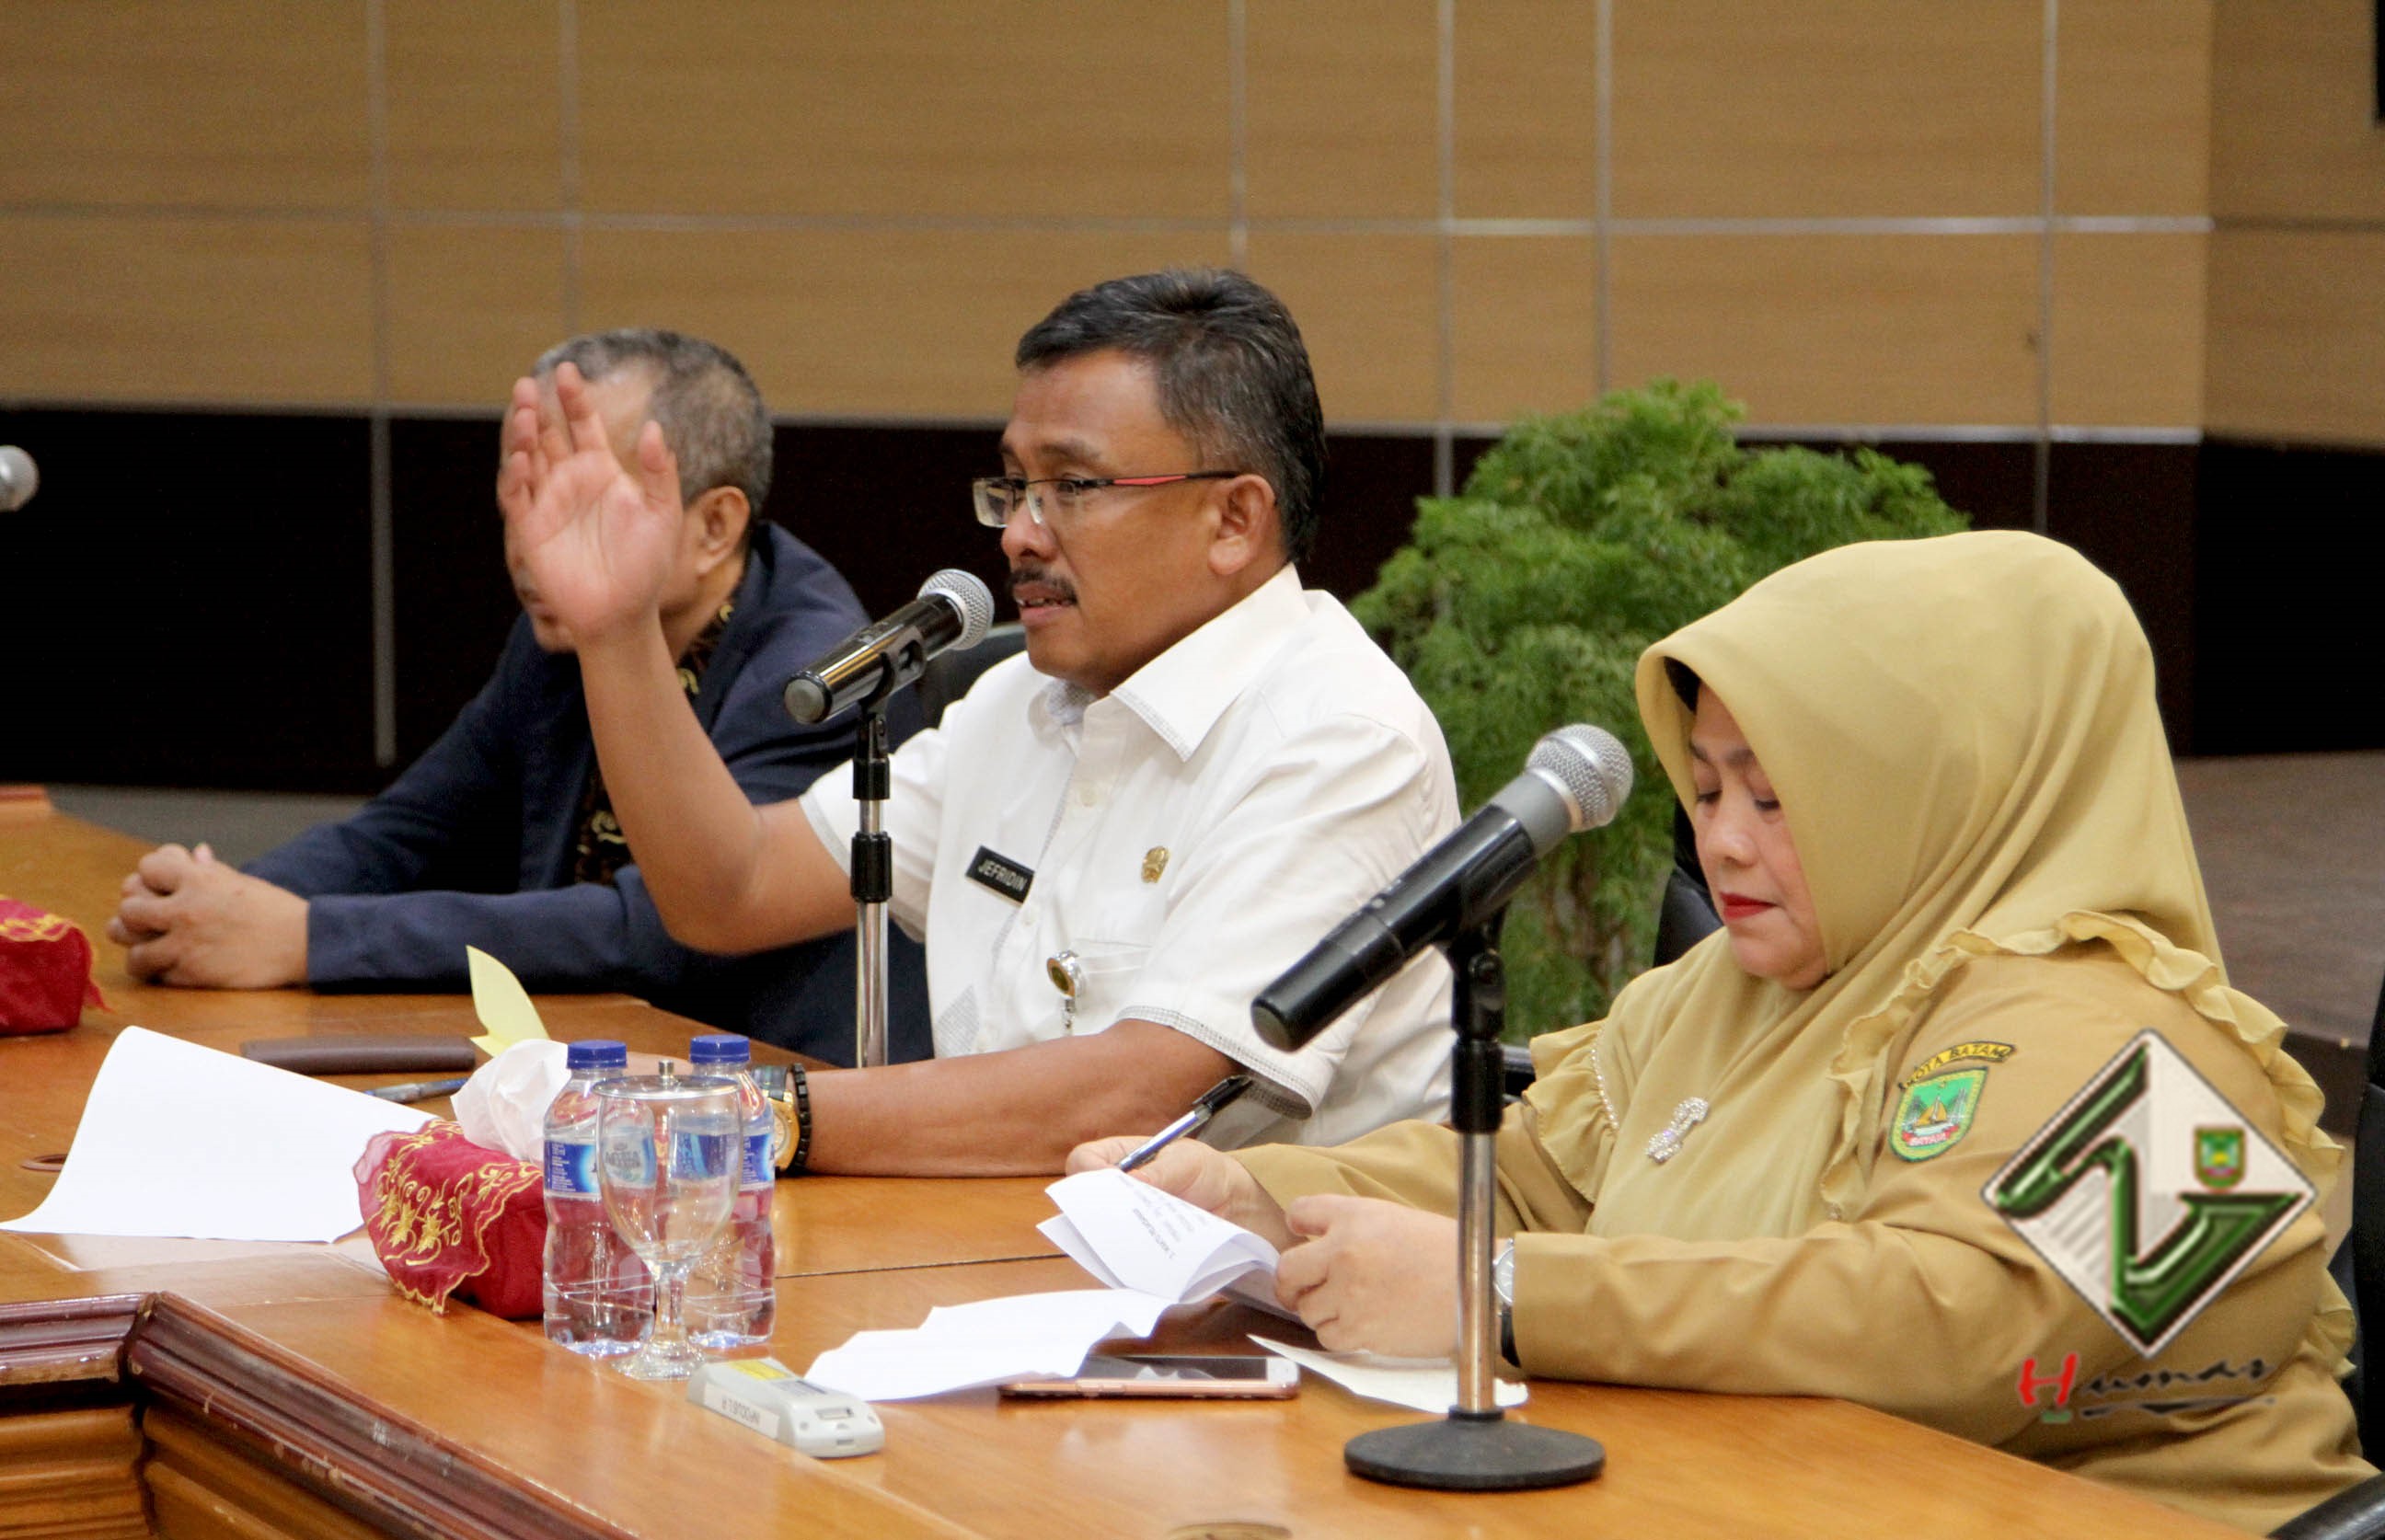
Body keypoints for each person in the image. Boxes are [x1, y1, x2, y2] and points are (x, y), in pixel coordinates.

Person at [1073, 530, 2371, 1534]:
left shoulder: (2144, 1045)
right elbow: (1537, 1173)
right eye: (1704, 788)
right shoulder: (1732, 990)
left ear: (1933, 791)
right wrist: (1263, 1197)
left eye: (1777, 795)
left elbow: (1968, 1332)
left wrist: (1502, 1292)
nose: (1723, 843)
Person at [499, 269, 1457, 1175]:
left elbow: (1145, 1092)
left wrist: (770, 1113)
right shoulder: (1018, 703)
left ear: (1234, 521)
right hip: (992, 1252)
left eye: (1072, 487)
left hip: (1249, 1289)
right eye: (1014, 486)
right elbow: (731, 889)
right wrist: (618, 633)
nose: (1020, 534)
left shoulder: (1340, 735)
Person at [107, 328, 928, 1063]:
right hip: (589, 1054)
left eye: (582, 504)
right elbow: (413, 830)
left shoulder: (817, 677)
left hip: (763, 1092)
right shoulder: (559, 635)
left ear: (714, 525)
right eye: (524, 496)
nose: (536, 550)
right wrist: (218, 901)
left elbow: (661, 932)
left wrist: (307, 938)